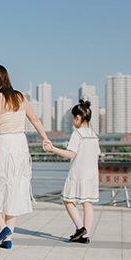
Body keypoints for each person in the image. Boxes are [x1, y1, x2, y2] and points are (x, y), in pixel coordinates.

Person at [0, 64, 51, 249]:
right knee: (14, 188)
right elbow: (35, 120)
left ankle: (3, 228)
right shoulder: (20, 97)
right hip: (20, 145)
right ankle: (8, 238)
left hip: (4, 144)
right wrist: (45, 138)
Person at [44, 100, 100, 244]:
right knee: (87, 203)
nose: (72, 121)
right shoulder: (94, 136)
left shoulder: (77, 134)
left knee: (67, 199)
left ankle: (80, 227)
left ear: (78, 118)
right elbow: (97, 155)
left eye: (72, 118)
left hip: (78, 174)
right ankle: (85, 235)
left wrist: (52, 149)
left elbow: (70, 154)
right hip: (92, 174)